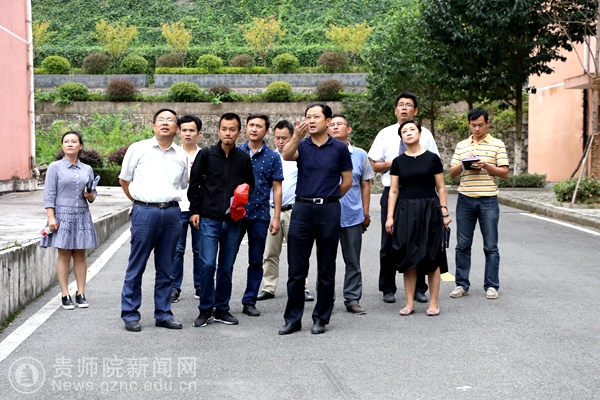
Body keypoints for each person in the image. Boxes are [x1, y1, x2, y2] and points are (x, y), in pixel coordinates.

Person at [278, 103, 352, 335]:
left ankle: (321, 317)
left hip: (328, 210)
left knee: (326, 267)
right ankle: (293, 319)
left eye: (316, 117)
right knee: (296, 268)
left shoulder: (339, 148)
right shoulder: (302, 145)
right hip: (302, 209)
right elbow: (286, 155)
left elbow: (347, 181)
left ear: (328, 121)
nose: (310, 120)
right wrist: (296, 137)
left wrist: (329, 198)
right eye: (307, 116)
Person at [119, 108, 188, 332]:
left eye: (170, 120)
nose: (165, 123)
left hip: (172, 213)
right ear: (153, 125)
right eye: (161, 120)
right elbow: (124, 180)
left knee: (166, 268)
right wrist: (140, 202)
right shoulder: (138, 149)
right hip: (145, 212)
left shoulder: (181, 155)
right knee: (137, 265)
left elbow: (182, 185)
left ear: (177, 128)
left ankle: (164, 313)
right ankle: (130, 313)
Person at [368, 91, 440, 305]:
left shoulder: (425, 135)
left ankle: (419, 288)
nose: (404, 108)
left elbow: (433, 162)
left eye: (409, 105)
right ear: (395, 110)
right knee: (389, 241)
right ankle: (388, 287)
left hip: (418, 195)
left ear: (415, 111)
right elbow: (375, 165)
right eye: (401, 104)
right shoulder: (385, 134)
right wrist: (398, 164)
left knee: (420, 241)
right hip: (392, 193)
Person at [188, 112, 255, 328]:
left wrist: (241, 201)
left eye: (232, 129)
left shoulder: (243, 158)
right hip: (209, 219)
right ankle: (205, 309)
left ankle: (222, 309)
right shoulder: (206, 154)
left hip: (233, 221)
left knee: (226, 267)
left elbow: (250, 185)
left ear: (239, 132)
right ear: (218, 131)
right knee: (207, 264)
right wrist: (195, 210)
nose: (228, 133)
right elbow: (195, 184)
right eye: (224, 129)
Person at [385, 120, 452, 316]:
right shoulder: (398, 162)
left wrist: (444, 212)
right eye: (404, 131)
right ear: (401, 137)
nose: (408, 133)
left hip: (430, 209)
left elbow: (441, 187)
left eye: (412, 129)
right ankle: (409, 303)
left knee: (433, 256)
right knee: (408, 256)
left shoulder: (432, 158)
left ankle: (434, 303)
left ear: (420, 133)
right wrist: (390, 216)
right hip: (405, 210)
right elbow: (394, 191)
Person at [448, 108, 509, 300]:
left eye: (480, 125)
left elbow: (504, 173)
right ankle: (461, 284)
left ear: (487, 123)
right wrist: (464, 164)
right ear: (468, 124)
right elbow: (452, 173)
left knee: (491, 246)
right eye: (473, 125)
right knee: (462, 245)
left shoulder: (497, 145)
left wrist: (486, 166)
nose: (477, 129)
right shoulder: (462, 145)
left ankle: (491, 285)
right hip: (465, 199)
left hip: (488, 199)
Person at [257, 120, 314, 302]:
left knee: (297, 252)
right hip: (271, 211)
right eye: (278, 138)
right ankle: (268, 287)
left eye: (285, 138)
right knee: (270, 252)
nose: (281, 141)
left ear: (292, 137)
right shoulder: (270, 157)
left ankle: (302, 287)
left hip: (294, 211)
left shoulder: (298, 156)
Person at [41, 131, 98, 310]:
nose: (70, 144)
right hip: (62, 215)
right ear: (62, 145)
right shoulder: (55, 167)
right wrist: (51, 217)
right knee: (64, 255)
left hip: (81, 215)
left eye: (74, 141)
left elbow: (92, 196)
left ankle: (81, 293)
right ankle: (65, 294)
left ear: (80, 146)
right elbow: (49, 194)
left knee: (80, 255)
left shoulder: (87, 169)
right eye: (66, 141)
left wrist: (90, 195)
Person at [236, 114, 283, 317]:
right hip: (235, 214)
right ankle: (220, 301)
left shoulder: (273, 156)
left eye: (259, 126)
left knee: (256, 260)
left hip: (260, 214)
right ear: (246, 128)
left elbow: (277, 188)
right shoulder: (236, 152)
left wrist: (276, 217)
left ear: (266, 131)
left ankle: (249, 301)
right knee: (227, 259)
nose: (254, 129)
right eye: (251, 125)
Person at [328, 114, 373, 315]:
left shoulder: (360, 154)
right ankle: (327, 299)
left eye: (340, 124)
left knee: (352, 260)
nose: (335, 127)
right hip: (327, 214)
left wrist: (365, 211)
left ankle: (352, 298)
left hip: (352, 214)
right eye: (332, 124)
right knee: (326, 260)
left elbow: (365, 183)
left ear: (349, 129)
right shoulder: (322, 152)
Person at [171, 115, 203, 303]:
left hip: (199, 209)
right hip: (177, 208)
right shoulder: (172, 153)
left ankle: (200, 286)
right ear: (179, 132)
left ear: (198, 133)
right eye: (184, 130)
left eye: (192, 130)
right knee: (177, 250)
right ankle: (174, 287)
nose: (187, 134)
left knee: (200, 250)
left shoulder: (204, 155)